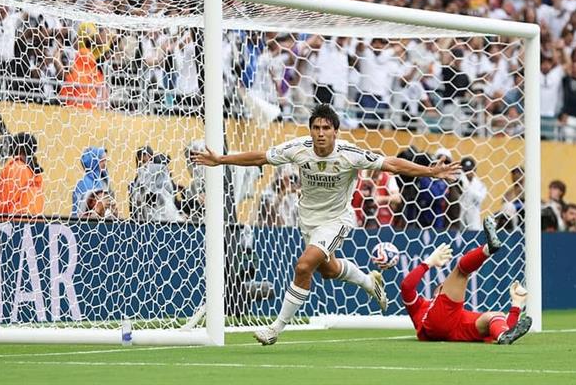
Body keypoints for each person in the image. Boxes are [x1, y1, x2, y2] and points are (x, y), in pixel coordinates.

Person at [191, 104, 461, 345]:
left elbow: (391, 164)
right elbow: (260, 157)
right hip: (308, 219)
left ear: (335, 132)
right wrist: (220, 160)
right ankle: (369, 282)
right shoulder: (298, 149)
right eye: (316, 128)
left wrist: (430, 171)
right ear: (310, 131)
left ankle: (275, 328)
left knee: (303, 266)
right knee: (328, 270)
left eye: (326, 128)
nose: (320, 133)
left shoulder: (349, 154)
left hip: (337, 220)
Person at [400, 216, 532, 344]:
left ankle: (501, 336)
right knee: (461, 272)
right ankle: (487, 249)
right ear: (438, 292)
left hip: (454, 330)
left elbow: (508, 327)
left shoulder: (454, 313)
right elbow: (407, 286)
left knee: (495, 317)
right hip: (437, 324)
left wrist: (516, 304)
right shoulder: (420, 306)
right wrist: (429, 262)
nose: (446, 285)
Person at [0, 132, 44, 215]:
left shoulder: (16, 168)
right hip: (35, 221)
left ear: (18, 148)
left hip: (15, 220)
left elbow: (2, 203)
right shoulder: (35, 172)